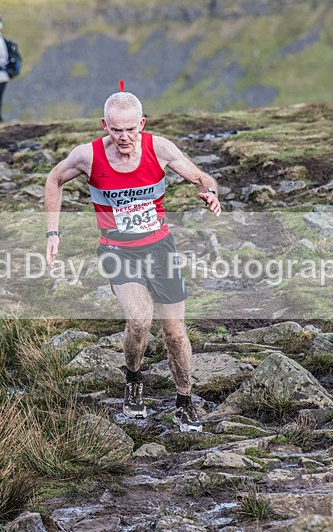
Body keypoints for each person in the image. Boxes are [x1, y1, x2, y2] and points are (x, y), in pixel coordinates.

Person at [44, 92, 221, 432]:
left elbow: (202, 178)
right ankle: (134, 379)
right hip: (117, 250)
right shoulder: (87, 156)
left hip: (159, 249)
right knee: (139, 321)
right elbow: (54, 179)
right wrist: (53, 233)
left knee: (174, 332)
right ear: (104, 126)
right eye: (115, 130)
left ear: (142, 123)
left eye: (130, 129)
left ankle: (184, 401)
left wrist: (210, 194)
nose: (123, 137)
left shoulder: (160, 149)